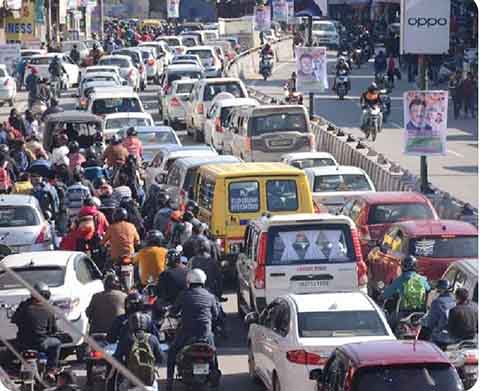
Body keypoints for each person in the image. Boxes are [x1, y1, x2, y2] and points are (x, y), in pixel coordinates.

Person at [166, 269, 220, 391]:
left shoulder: (183, 294)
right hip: (205, 334)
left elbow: (174, 311)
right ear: (203, 281)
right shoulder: (210, 296)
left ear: (189, 281)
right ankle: (216, 379)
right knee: (213, 353)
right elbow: (216, 315)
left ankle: (169, 383)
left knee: (172, 352)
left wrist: (172, 313)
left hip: (186, 334)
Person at [11, 282, 61, 379]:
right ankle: (51, 370)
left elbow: (15, 320)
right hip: (41, 343)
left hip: (23, 343)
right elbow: (52, 329)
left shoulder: (23, 306)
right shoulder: (48, 309)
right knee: (57, 343)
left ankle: (14, 371)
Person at [113, 312, 163, 389]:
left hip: (131, 380)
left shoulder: (126, 339)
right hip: (149, 380)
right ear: (146, 324)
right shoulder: (153, 338)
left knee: (121, 387)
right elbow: (161, 358)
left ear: (131, 324)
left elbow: (117, 357)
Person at [383, 255, 431, 328]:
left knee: (387, 324)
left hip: (404, 313)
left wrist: (381, 296)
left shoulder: (401, 279)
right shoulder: (422, 279)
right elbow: (429, 290)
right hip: (421, 313)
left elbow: (387, 294)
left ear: (403, 266)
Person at [425, 279, 456, 346]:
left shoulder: (437, 302)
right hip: (454, 336)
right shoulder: (454, 301)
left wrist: (422, 322)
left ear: (440, 289)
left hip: (440, 336)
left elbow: (430, 322)